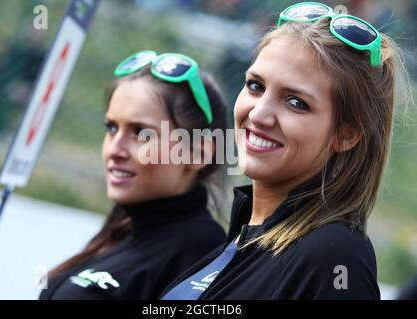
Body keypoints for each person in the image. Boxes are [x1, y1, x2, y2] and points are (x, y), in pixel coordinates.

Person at [161, 2, 407, 300]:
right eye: (255, 86)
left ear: (346, 134)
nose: (259, 114)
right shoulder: (245, 236)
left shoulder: (335, 255)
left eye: (296, 102)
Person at [39, 50, 228, 299]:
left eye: (141, 133)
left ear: (197, 153)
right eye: (111, 127)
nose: (114, 149)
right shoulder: (122, 227)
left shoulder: (202, 255)